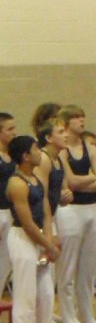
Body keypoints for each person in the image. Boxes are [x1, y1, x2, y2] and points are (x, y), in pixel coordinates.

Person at [55, 105, 96, 323]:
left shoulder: (90, 147)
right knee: (67, 269)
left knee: (88, 270)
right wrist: (91, 178)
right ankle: (69, 320)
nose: (81, 121)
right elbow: (70, 181)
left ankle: (87, 317)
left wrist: (82, 180)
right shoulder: (62, 151)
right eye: (76, 118)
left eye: (82, 116)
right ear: (66, 125)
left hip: (90, 210)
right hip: (69, 212)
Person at [6, 135, 61, 323]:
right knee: (25, 294)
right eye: (36, 149)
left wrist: (49, 239)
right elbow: (27, 223)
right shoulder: (16, 183)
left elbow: (46, 210)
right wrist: (48, 246)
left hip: (40, 238)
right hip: (22, 238)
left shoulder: (36, 178)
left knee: (46, 294)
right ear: (25, 156)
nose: (40, 153)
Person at [35, 119, 73, 323]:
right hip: (41, 223)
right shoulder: (44, 161)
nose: (65, 135)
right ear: (49, 138)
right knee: (42, 282)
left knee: (48, 283)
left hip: (52, 219)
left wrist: (65, 196)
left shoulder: (59, 159)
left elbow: (54, 197)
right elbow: (40, 198)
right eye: (60, 132)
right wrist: (49, 234)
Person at [0, 112, 18, 298]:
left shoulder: (12, 156)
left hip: (10, 213)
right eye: (10, 129)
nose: (14, 132)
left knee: (5, 264)